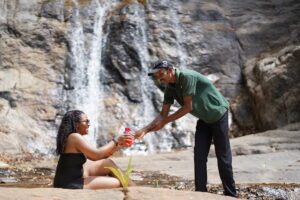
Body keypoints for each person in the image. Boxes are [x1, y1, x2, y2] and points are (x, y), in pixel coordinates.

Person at [134, 60, 236, 197]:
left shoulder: (187, 77)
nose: (159, 78)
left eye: (161, 74)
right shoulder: (170, 87)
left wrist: (165, 122)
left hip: (218, 114)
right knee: (199, 155)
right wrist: (144, 130)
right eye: (157, 76)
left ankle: (230, 194)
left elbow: (188, 107)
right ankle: (201, 193)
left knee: (222, 156)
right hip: (205, 119)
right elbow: (163, 114)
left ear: (170, 70)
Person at [53, 110, 135, 189]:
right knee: (116, 182)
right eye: (86, 121)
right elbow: (97, 155)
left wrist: (117, 147)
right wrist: (116, 140)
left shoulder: (72, 137)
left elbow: (96, 157)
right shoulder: (74, 137)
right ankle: (136, 190)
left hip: (72, 175)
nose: (89, 124)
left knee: (107, 163)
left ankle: (134, 188)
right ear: (76, 124)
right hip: (69, 183)